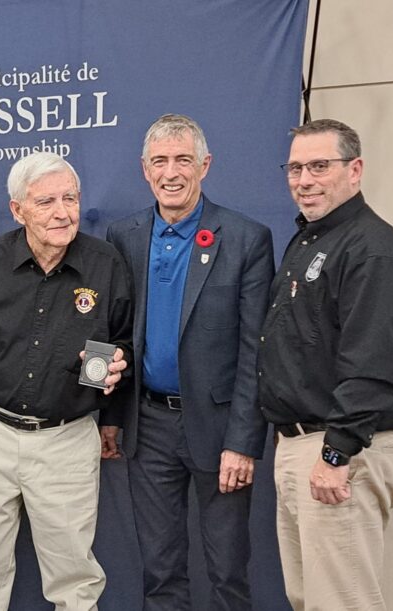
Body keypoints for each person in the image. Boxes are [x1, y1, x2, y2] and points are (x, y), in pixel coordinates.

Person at [0, 152, 132, 611]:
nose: (62, 212)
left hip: (67, 438)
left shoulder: (105, 263)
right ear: (17, 210)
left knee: (74, 577)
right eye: (45, 201)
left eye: (70, 198)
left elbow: (119, 338)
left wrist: (110, 385)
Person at [105, 114, 273, 610]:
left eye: (183, 159)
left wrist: (242, 442)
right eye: (160, 161)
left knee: (226, 570)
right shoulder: (125, 236)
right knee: (160, 570)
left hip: (219, 430)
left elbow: (254, 351)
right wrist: (113, 419)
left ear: (206, 165)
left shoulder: (245, 238)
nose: (171, 172)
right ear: (144, 169)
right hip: (149, 426)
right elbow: (115, 334)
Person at [259, 119, 393, 611]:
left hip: (340, 450)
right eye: (295, 168)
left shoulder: (373, 251)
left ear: (355, 170)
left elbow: (374, 367)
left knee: (343, 602)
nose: (304, 179)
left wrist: (336, 455)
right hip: (300, 445)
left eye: (319, 166)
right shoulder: (311, 239)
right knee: (310, 598)